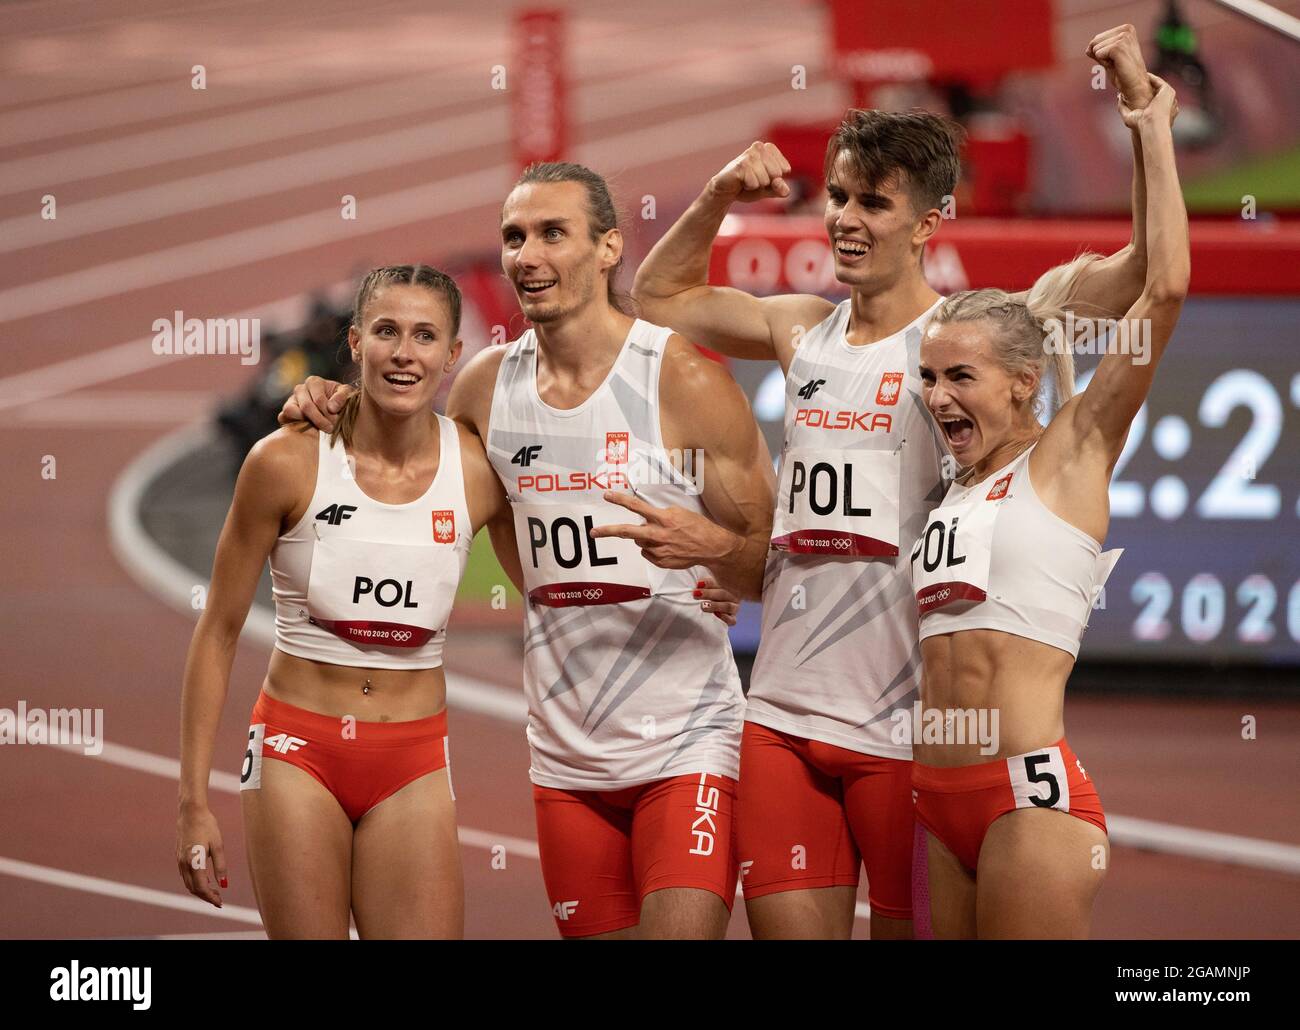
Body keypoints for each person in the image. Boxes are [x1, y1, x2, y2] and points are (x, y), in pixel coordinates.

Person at [630, 26, 1158, 939]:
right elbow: (658, 297)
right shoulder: (802, 327)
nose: (844, 218)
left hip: (907, 729)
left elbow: (1146, 276)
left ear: (927, 222)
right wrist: (719, 193)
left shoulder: (967, 341)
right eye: (836, 196)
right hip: (784, 711)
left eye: (872, 202)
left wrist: (1141, 108)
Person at [281, 164, 776, 939]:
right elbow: (410, 471)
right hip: (565, 759)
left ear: (610, 248)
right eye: (514, 237)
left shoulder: (679, 379)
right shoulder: (485, 389)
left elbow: (774, 569)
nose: (527, 255)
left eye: (553, 233)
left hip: (687, 742)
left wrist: (710, 545)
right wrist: (332, 399)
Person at [910, 74, 1186, 938]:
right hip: (937, 801)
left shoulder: (1072, 450)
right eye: (928, 377)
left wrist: (1151, 127)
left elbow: (1163, 287)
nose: (937, 396)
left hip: (1026, 799)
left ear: (1025, 382)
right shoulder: (950, 483)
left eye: (960, 377)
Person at [176, 264, 512, 938]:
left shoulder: (477, 474)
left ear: (452, 356)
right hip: (298, 751)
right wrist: (192, 804)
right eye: (386, 331)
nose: (403, 353)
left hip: (413, 760)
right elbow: (217, 630)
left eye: (424, 337)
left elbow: (551, 581)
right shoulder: (285, 462)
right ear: (355, 343)